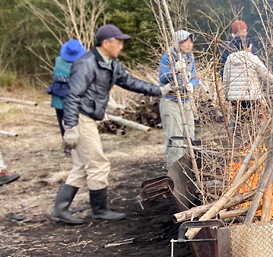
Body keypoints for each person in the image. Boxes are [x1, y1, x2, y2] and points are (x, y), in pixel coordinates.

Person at [51, 24, 173, 225]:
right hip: (81, 118)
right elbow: (72, 96)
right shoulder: (86, 63)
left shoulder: (111, 63)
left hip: (88, 117)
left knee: (82, 165)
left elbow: (130, 82)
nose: (121, 47)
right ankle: (100, 210)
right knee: (98, 163)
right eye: (119, 42)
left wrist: (160, 90)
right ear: (106, 43)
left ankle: (60, 209)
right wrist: (71, 127)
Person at [159, 30, 200, 208]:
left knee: (189, 138)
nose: (189, 45)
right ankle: (174, 180)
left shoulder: (190, 57)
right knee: (175, 139)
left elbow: (196, 76)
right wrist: (174, 72)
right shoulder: (168, 57)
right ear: (178, 43)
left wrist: (192, 84)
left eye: (190, 41)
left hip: (186, 102)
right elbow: (162, 77)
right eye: (185, 42)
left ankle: (189, 177)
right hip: (171, 101)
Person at [223, 37, 273, 137]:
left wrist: (226, 94)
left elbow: (226, 79)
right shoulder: (252, 58)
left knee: (238, 120)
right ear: (249, 47)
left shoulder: (229, 59)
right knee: (253, 121)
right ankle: (253, 143)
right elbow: (265, 74)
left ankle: (237, 142)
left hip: (235, 98)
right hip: (251, 96)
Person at [47, 39, 87, 152]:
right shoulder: (80, 65)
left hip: (57, 97)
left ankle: (67, 146)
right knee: (75, 122)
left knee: (62, 121)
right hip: (72, 98)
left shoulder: (58, 60)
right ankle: (76, 146)